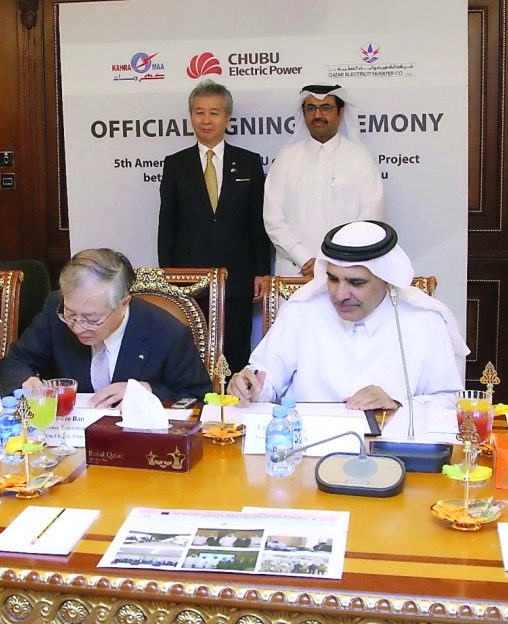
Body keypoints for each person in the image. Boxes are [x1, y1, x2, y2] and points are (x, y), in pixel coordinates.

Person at [228, 220, 467, 410]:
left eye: (356, 282)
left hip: (393, 454)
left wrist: (397, 404)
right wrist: (250, 386)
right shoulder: (301, 311)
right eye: (333, 279)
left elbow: (449, 401)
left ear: (386, 281)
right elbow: (265, 380)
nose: (340, 294)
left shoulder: (424, 321)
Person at [0, 248, 211, 408]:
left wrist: (146, 391)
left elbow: (199, 397)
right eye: (70, 315)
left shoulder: (168, 333)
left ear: (123, 303)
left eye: (92, 319)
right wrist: (26, 382)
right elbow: (14, 362)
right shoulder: (54, 308)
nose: (78, 327)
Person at [157, 79, 268, 374]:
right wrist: (168, 273)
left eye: (214, 113)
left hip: (238, 276)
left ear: (227, 118)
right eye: (199, 112)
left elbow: (258, 222)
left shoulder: (249, 163)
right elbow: (167, 223)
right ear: (191, 115)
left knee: (236, 353)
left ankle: (235, 411)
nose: (206, 120)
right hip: (189, 279)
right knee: (191, 352)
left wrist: (261, 271)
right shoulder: (175, 164)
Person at [263, 84, 384, 277]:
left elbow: (370, 217)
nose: (318, 115)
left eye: (326, 108)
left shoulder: (360, 158)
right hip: (295, 273)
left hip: (346, 270)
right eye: (311, 108)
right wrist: (304, 259)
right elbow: (273, 219)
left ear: (341, 113)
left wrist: (333, 261)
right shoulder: (286, 159)